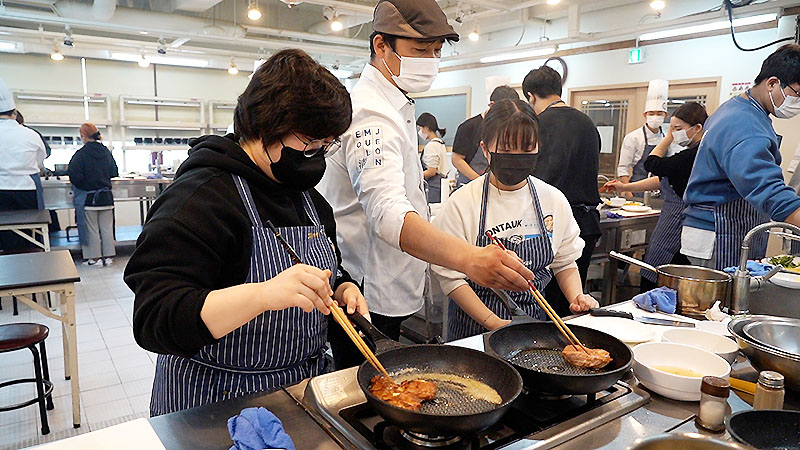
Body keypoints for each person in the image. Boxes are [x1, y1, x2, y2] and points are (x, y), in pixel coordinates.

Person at [124, 49, 368, 416]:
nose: (318, 154)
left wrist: (342, 287)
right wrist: (262, 295)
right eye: (309, 142)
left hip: (301, 392)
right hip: (216, 401)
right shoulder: (199, 200)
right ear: (262, 126)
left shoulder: (308, 200)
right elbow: (154, 318)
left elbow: (323, 271)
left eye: (326, 145)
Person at [319, 0, 534, 341]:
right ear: (380, 45)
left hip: (391, 278)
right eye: (420, 49)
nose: (430, 61)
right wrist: (469, 259)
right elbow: (387, 212)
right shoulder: (370, 113)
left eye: (436, 51)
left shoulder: (395, 103)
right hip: (365, 289)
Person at [431, 99, 598, 341]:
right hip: (475, 331)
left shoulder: (552, 199)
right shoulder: (463, 202)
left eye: (527, 148)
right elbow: (451, 278)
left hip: (534, 329)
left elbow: (564, 262)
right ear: (486, 149)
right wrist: (494, 323)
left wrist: (576, 297)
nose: (517, 157)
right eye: (507, 150)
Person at [682, 44, 800, 270]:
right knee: (723, 303)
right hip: (720, 230)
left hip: (717, 228)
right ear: (773, 83)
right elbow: (768, 190)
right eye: (798, 93)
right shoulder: (746, 123)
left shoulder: (736, 107)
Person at [602, 102, 708, 291]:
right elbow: (662, 179)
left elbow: (652, 164)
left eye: (678, 129)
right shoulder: (689, 153)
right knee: (656, 269)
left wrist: (667, 137)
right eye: (672, 128)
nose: (675, 133)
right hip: (669, 221)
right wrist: (624, 187)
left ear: (698, 128)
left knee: (660, 277)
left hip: (677, 225)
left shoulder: (694, 155)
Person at [523, 65, 602, 317]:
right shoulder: (587, 123)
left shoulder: (537, 124)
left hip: (549, 224)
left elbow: (533, 180)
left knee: (545, 303)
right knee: (575, 301)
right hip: (587, 224)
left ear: (530, 97)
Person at [0, 78, 47, 253]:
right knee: (30, 236)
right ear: (14, 112)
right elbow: (41, 161)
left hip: (1, 192)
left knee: (4, 238)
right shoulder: (31, 134)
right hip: (27, 190)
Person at [68, 123, 119, 266]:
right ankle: (109, 257)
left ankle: (94, 258)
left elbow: (74, 176)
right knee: (107, 228)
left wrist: (85, 185)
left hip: (89, 198)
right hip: (106, 197)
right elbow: (114, 172)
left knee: (91, 229)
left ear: (83, 136)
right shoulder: (106, 152)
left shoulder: (80, 154)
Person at [616, 80, 676, 197]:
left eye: (659, 113)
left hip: (662, 190)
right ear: (645, 115)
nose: (655, 117)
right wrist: (627, 191)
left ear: (666, 115)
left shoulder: (668, 138)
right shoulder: (633, 137)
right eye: (651, 113)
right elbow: (623, 167)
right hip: (637, 189)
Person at [452, 86, 520, 188]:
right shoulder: (469, 127)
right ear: (491, 105)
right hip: (470, 186)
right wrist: (480, 181)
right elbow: (457, 160)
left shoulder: (510, 128)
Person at [417, 112, 449, 203]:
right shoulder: (440, 143)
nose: (419, 132)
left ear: (426, 127)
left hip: (434, 188)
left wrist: (416, 177)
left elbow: (431, 171)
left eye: (420, 129)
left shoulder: (432, 146)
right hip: (440, 187)